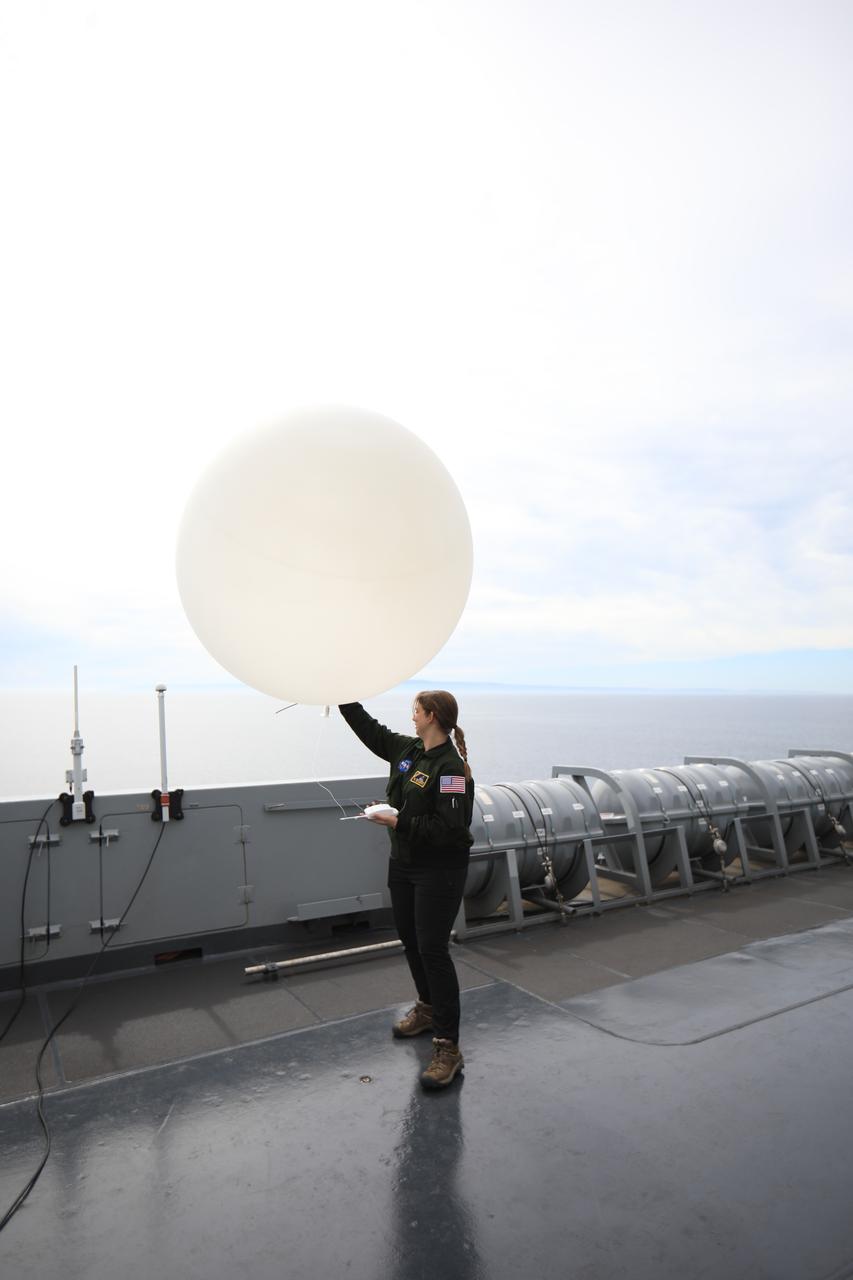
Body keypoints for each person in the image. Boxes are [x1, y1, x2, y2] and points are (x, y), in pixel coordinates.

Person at [339, 691, 474, 1089]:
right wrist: (342, 696)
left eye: (416, 711)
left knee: (433, 950)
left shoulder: (451, 770)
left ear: (431, 716)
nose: (411, 717)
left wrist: (397, 823)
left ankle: (448, 1047)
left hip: (439, 870)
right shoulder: (409, 750)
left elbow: (451, 830)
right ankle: (428, 1009)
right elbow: (371, 732)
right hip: (405, 865)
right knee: (411, 942)